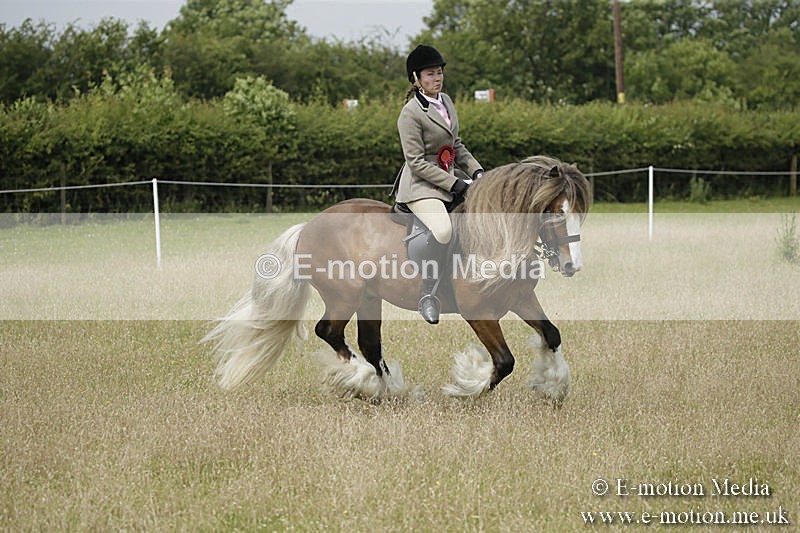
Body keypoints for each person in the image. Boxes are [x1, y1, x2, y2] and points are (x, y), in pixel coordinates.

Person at [392, 44, 484, 324]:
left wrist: (478, 172)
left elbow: (456, 145)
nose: (438, 78)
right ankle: (428, 293)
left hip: (449, 176)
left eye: (440, 73)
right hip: (421, 185)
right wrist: (455, 183)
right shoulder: (410, 113)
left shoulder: (446, 101)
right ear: (416, 79)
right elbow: (416, 162)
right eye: (431, 74)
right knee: (444, 230)